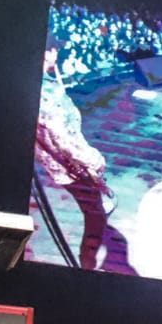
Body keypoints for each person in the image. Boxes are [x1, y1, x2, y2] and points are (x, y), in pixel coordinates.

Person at [36, 40, 122, 270]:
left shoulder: (46, 83)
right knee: (95, 219)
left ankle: (88, 266)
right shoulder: (46, 91)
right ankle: (87, 272)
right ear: (49, 52)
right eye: (54, 49)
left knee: (95, 215)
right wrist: (93, 161)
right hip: (73, 166)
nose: (57, 54)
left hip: (63, 165)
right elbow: (60, 137)